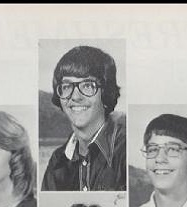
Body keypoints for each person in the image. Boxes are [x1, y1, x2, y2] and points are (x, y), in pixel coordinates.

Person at [41, 45, 126, 191]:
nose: (75, 97)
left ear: (105, 93)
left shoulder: (124, 151)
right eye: (67, 86)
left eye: (87, 85)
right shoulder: (58, 161)